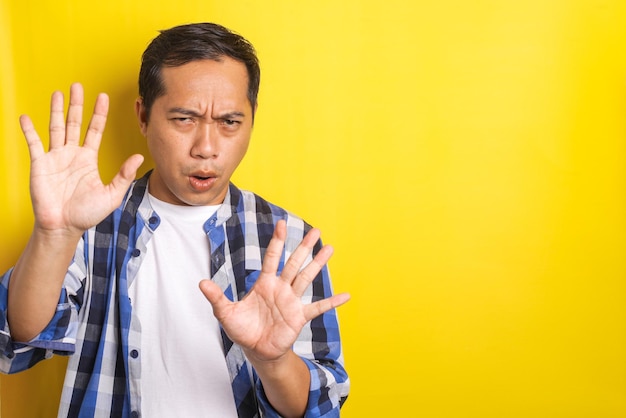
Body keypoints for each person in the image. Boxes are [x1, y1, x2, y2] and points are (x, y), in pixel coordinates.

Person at [0, 22, 350, 418]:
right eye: (184, 119)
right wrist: (55, 234)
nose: (206, 148)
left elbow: (316, 407)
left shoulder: (289, 240)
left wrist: (273, 361)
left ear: (252, 120)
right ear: (144, 117)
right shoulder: (93, 221)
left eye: (229, 122)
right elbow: (21, 340)